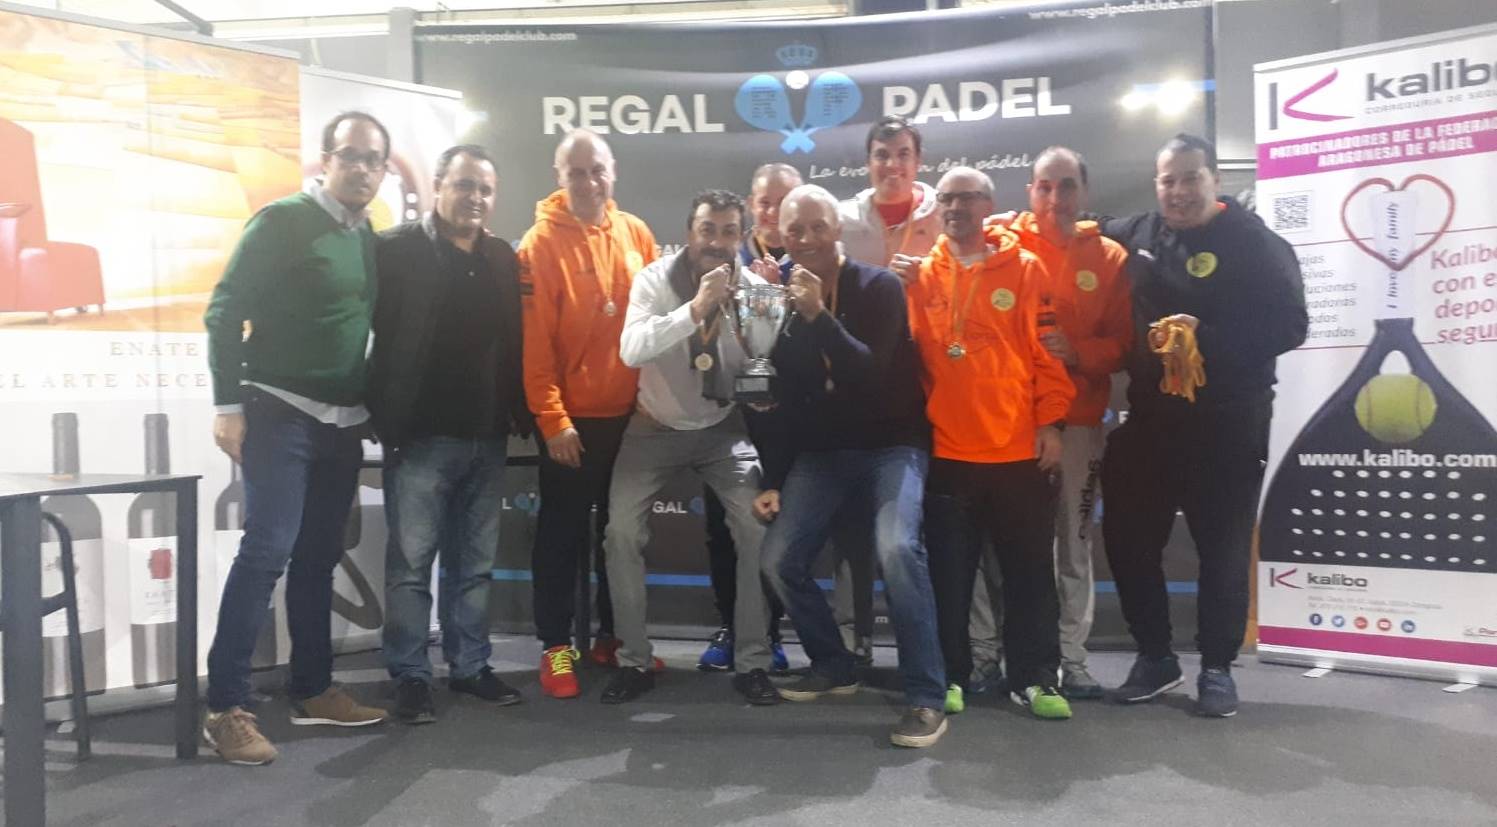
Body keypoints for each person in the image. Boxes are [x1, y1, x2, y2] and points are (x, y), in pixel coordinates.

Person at [202, 111, 390, 765]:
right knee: (267, 552)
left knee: (317, 557)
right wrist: (228, 405)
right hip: (278, 410)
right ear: (326, 159)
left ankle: (312, 688)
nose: (361, 168)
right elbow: (224, 310)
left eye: (373, 159)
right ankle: (225, 707)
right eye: (350, 155)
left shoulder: (367, 236)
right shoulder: (281, 221)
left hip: (341, 422)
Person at [1101, 133, 1306, 717]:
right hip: (1152, 421)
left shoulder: (1256, 243)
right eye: (1168, 180)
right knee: (1128, 540)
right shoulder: (1143, 232)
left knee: (1223, 547)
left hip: (1229, 422)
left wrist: (1205, 339)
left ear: (1214, 180)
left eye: (1190, 178)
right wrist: (1018, 222)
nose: (1179, 191)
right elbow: (1090, 224)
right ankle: (1155, 658)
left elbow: (1291, 326)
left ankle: (1217, 667)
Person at [939, 147, 1132, 701]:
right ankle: (984, 656)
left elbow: (1124, 344)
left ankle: (1070, 659)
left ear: (1084, 192)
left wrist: (1081, 352)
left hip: (1076, 423)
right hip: (1006, 426)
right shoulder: (1003, 238)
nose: (1054, 198)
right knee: (994, 551)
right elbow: (953, 257)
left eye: (1066, 186)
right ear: (1029, 191)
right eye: (1044, 186)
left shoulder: (1109, 257)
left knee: (1071, 544)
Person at [759, 184, 947, 748]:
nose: (807, 239)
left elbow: (869, 373)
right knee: (778, 559)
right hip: (824, 451)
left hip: (893, 444)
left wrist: (818, 315)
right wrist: (773, 478)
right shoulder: (779, 301)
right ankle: (833, 663)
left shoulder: (879, 286)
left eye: (818, 226)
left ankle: (926, 694)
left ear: (838, 229)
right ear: (781, 237)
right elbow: (786, 399)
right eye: (795, 230)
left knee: (897, 549)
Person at [903, 167, 1076, 720]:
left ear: (987, 205)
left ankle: (1036, 678)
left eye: (966, 198)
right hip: (948, 453)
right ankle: (951, 675)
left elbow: (1046, 354)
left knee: (1030, 575)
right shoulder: (921, 276)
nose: (955, 208)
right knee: (949, 580)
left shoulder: (1025, 269)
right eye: (946, 199)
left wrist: (1051, 423)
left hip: (1018, 451)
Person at [369, 144, 529, 724]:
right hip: (420, 438)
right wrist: (384, 415)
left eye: (485, 189)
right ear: (438, 186)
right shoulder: (393, 250)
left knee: (474, 566)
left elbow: (514, 342)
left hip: (487, 437)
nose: (475, 198)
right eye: (464, 185)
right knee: (411, 567)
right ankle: (411, 676)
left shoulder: (502, 257)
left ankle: (470, 666)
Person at [601, 189, 780, 705]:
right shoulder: (654, 280)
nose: (717, 242)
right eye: (707, 230)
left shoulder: (757, 290)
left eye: (728, 232)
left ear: (742, 237)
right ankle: (633, 660)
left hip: (723, 429)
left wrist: (760, 366)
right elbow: (631, 350)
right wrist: (695, 309)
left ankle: (753, 662)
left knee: (755, 527)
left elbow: (763, 366)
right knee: (620, 532)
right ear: (689, 233)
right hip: (653, 427)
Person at [520, 129, 658, 699]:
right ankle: (556, 647)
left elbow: (656, 325)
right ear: (560, 177)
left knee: (616, 536)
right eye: (576, 172)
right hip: (571, 424)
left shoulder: (636, 233)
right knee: (560, 534)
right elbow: (535, 347)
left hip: (630, 419)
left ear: (613, 171)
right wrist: (553, 421)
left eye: (596, 170)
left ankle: (611, 637)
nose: (588, 182)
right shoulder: (538, 245)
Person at [698, 162, 801, 674]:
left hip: (788, 420)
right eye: (765, 202)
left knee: (773, 524)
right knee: (723, 527)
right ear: (751, 206)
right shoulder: (724, 261)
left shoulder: (814, 261)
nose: (774, 212)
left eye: (784, 202)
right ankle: (728, 625)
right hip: (727, 417)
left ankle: (770, 630)